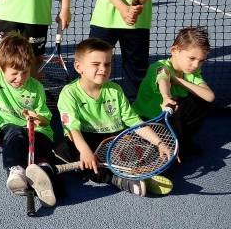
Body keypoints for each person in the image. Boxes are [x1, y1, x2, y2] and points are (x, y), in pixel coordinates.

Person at [55, 38, 171, 197]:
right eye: (96, 64)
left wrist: (159, 142)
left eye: (107, 64)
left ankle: (135, 172)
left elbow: (135, 123)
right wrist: (85, 151)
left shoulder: (115, 90)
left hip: (115, 139)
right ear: (78, 67)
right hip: (87, 138)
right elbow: (72, 129)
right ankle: (118, 179)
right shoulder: (69, 93)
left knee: (156, 146)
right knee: (64, 149)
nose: (103, 69)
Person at [0, 32, 57, 207]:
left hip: (36, 130)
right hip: (7, 127)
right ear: (1, 67)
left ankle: (45, 175)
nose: (20, 79)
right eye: (14, 73)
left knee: (43, 149)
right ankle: (16, 171)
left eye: (25, 72)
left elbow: (46, 121)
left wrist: (37, 119)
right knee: (15, 132)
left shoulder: (36, 87)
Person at [132, 27, 215, 156]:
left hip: (169, 118)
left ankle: (182, 141)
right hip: (146, 120)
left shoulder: (191, 72)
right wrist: (166, 97)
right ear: (174, 50)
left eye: (201, 61)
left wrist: (177, 80)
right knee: (155, 158)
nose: (195, 65)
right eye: (192, 58)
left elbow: (209, 96)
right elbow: (163, 79)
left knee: (201, 101)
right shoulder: (160, 67)